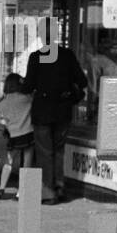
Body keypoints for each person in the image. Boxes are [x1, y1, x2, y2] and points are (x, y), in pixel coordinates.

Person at [21, 39, 87, 204]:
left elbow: (28, 86)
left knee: (45, 152)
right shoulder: (68, 56)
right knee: (58, 150)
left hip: (42, 111)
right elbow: (82, 81)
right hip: (62, 111)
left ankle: (48, 191)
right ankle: (59, 187)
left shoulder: (36, 57)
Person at [0, 72, 35, 199]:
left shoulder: (3, 102)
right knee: (26, 163)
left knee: (9, 162)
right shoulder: (26, 98)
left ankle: (1, 188)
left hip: (13, 135)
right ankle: (21, 191)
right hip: (28, 133)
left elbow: (5, 119)